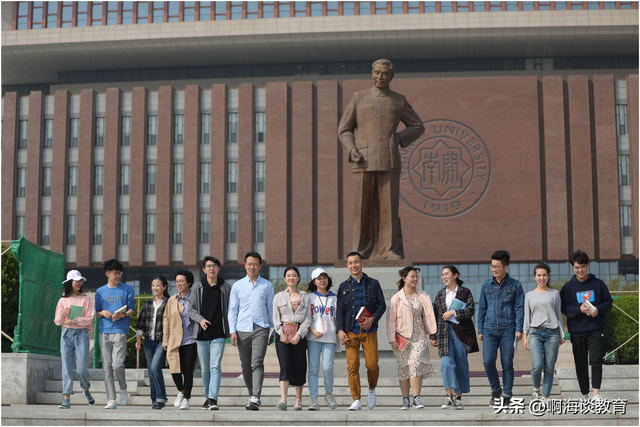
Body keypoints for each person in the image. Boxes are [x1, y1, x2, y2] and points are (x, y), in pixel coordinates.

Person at [337, 59, 425, 260]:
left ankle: (389, 250)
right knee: (362, 208)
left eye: (385, 74)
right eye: (376, 73)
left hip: (389, 159)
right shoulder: (359, 98)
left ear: (391, 77)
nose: (380, 77)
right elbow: (344, 129)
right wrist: (351, 150)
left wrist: (399, 139)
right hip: (362, 160)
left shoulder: (398, 100)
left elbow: (417, 126)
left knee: (389, 209)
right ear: (372, 73)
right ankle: (360, 250)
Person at [336, 251, 386, 411]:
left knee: (372, 365)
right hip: (351, 331)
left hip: (369, 330)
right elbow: (340, 310)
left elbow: (382, 305)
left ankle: (371, 388)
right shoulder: (343, 286)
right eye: (350, 263)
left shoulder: (373, 283)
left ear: (362, 263)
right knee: (352, 366)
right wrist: (340, 330)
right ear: (347, 265)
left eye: (356, 262)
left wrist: (372, 320)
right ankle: (356, 399)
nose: (353, 265)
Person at [560, 250, 613, 402]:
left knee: (596, 360)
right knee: (580, 363)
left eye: (583, 266)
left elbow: (608, 303)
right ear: (573, 267)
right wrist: (579, 310)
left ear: (587, 266)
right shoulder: (568, 287)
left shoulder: (598, 284)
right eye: (577, 267)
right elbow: (564, 308)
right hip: (577, 332)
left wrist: (597, 310)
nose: (580, 270)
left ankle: (596, 394)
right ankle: (585, 395)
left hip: (595, 330)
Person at [228, 252, 275, 411]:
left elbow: (270, 309)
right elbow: (232, 310)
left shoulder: (267, 285)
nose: (252, 267)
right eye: (249, 264)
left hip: (261, 328)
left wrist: (272, 330)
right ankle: (251, 395)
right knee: (245, 365)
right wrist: (232, 331)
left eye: (255, 264)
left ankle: (256, 396)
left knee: (257, 363)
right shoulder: (237, 286)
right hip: (242, 329)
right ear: (245, 265)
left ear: (260, 266)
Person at [477, 250, 524, 406]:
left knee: (507, 363)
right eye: (492, 266)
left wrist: (519, 329)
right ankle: (496, 390)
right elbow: (482, 308)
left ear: (505, 267)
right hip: (489, 329)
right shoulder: (486, 285)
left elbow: (520, 308)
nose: (494, 269)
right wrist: (481, 329)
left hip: (508, 329)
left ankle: (508, 395)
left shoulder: (515, 285)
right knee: (488, 361)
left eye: (497, 266)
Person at [387, 266, 437, 410]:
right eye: (412, 276)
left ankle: (416, 398)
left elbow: (428, 315)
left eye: (417, 276)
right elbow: (391, 321)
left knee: (415, 364)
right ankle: (405, 400)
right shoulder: (396, 298)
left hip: (419, 336)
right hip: (402, 338)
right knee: (403, 368)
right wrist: (392, 339)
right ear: (404, 278)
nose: (415, 279)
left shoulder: (422, 295)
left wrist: (432, 331)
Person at [430, 265, 479, 410]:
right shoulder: (439, 295)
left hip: (461, 333)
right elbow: (435, 317)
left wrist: (453, 313)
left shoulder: (465, 292)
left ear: (455, 275)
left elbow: (470, 310)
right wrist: (433, 336)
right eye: (442, 275)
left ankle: (458, 398)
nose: (444, 277)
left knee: (461, 364)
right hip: (444, 334)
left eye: (447, 274)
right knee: (446, 364)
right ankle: (448, 396)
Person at [189, 256, 232, 410]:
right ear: (204, 269)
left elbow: (231, 310)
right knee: (205, 369)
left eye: (214, 266)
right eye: (208, 266)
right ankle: (208, 398)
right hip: (201, 334)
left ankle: (213, 398)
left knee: (215, 366)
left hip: (219, 334)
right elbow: (191, 309)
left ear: (219, 269)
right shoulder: (197, 287)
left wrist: (231, 330)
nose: (211, 268)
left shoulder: (226, 287)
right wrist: (200, 320)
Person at [95, 259, 135, 409]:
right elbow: (97, 313)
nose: (118, 276)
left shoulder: (127, 289)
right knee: (106, 366)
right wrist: (102, 312)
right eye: (115, 273)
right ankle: (111, 398)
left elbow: (131, 309)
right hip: (104, 330)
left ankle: (123, 388)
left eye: (119, 273)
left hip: (120, 330)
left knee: (117, 364)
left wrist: (122, 315)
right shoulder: (100, 291)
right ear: (107, 274)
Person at [523, 263, 565, 402]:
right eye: (539, 275)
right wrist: (525, 335)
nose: (542, 278)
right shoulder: (529, 295)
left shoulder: (554, 293)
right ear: (535, 277)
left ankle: (545, 396)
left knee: (549, 367)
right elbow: (527, 317)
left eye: (544, 275)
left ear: (548, 276)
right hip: (535, 333)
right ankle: (536, 389)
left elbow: (558, 315)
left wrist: (561, 333)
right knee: (537, 365)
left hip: (552, 334)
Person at [54, 270, 95, 409]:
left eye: (80, 281)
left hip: (82, 334)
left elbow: (90, 318)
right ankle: (66, 398)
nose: (79, 283)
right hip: (66, 334)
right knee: (66, 368)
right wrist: (63, 315)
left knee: (82, 369)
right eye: (76, 280)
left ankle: (85, 389)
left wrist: (75, 320)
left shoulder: (86, 299)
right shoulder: (62, 300)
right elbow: (57, 321)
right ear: (70, 282)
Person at [273, 266, 312, 411]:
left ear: (299, 278)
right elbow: (275, 318)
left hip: (298, 336)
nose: (291, 278)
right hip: (282, 336)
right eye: (288, 276)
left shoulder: (305, 297)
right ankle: (283, 400)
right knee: (285, 365)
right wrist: (280, 333)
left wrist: (299, 334)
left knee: (299, 366)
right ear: (284, 279)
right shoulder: (278, 297)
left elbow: (308, 319)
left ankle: (298, 400)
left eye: (294, 275)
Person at [163, 269, 198, 410]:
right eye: (177, 281)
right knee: (175, 370)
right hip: (175, 341)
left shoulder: (195, 299)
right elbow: (166, 321)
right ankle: (180, 391)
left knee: (188, 371)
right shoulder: (172, 300)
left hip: (191, 341)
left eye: (182, 281)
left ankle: (186, 399)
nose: (179, 284)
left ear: (189, 282)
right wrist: (165, 340)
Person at [306, 268, 339, 410]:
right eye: (319, 278)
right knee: (313, 369)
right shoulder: (309, 298)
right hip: (313, 337)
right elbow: (306, 318)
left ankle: (329, 394)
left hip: (330, 336)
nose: (322, 280)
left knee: (328, 367)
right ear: (314, 281)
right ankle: (313, 399)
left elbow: (337, 318)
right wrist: (313, 331)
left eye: (324, 277)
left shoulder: (334, 298)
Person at [136, 276, 169, 409]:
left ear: (164, 287)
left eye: (158, 285)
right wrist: (138, 338)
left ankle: (161, 397)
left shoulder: (168, 303)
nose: (155, 288)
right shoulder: (148, 304)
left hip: (162, 341)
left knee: (155, 367)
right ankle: (155, 399)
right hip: (148, 341)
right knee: (151, 371)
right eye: (153, 285)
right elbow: (141, 323)